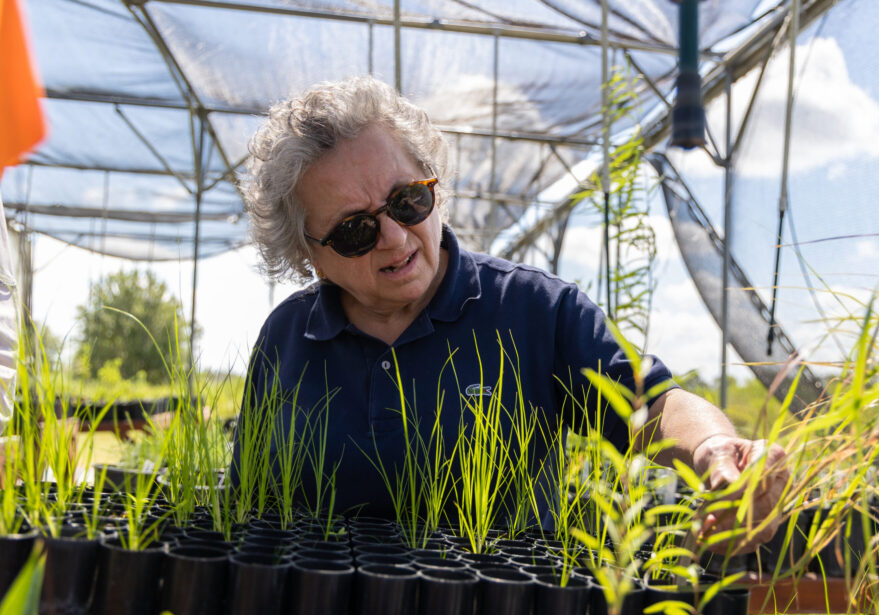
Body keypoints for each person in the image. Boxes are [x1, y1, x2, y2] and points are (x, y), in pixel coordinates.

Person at [238, 76, 787, 554]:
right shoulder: (288, 337)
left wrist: (714, 445)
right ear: (309, 253)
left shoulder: (535, 310)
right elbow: (250, 506)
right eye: (356, 229)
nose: (396, 237)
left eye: (408, 201)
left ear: (432, 184)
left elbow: (653, 403)